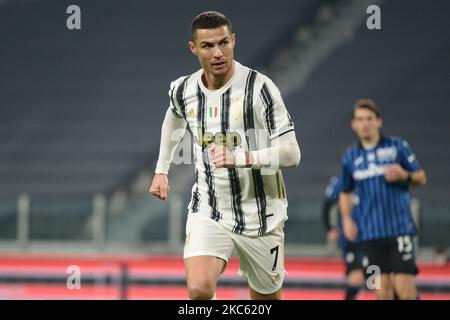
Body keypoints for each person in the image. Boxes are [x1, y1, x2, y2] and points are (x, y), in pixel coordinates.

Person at [149, 11, 301, 300]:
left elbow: (292, 154)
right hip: (210, 208)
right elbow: (174, 117)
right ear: (193, 48)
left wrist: (241, 157)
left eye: (224, 43)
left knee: (266, 299)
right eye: (207, 46)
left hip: (262, 215)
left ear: (233, 41)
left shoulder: (260, 89)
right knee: (199, 290)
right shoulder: (185, 89)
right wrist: (161, 169)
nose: (218, 53)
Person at [339, 99, 427, 300]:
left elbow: (421, 177)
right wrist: (346, 219)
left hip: (400, 232)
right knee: (381, 292)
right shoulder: (350, 157)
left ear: (379, 121)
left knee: (405, 291)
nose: (365, 123)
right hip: (369, 236)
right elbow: (345, 191)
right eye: (360, 119)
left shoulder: (397, 147)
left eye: (369, 118)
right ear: (353, 124)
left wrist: (405, 175)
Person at [322, 176, 365, 300]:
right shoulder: (341, 181)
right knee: (356, 276)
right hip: (350, 239)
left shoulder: (373, 179)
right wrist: (329, 228)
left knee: (376, 280)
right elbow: (327, 205)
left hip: (371, 238)